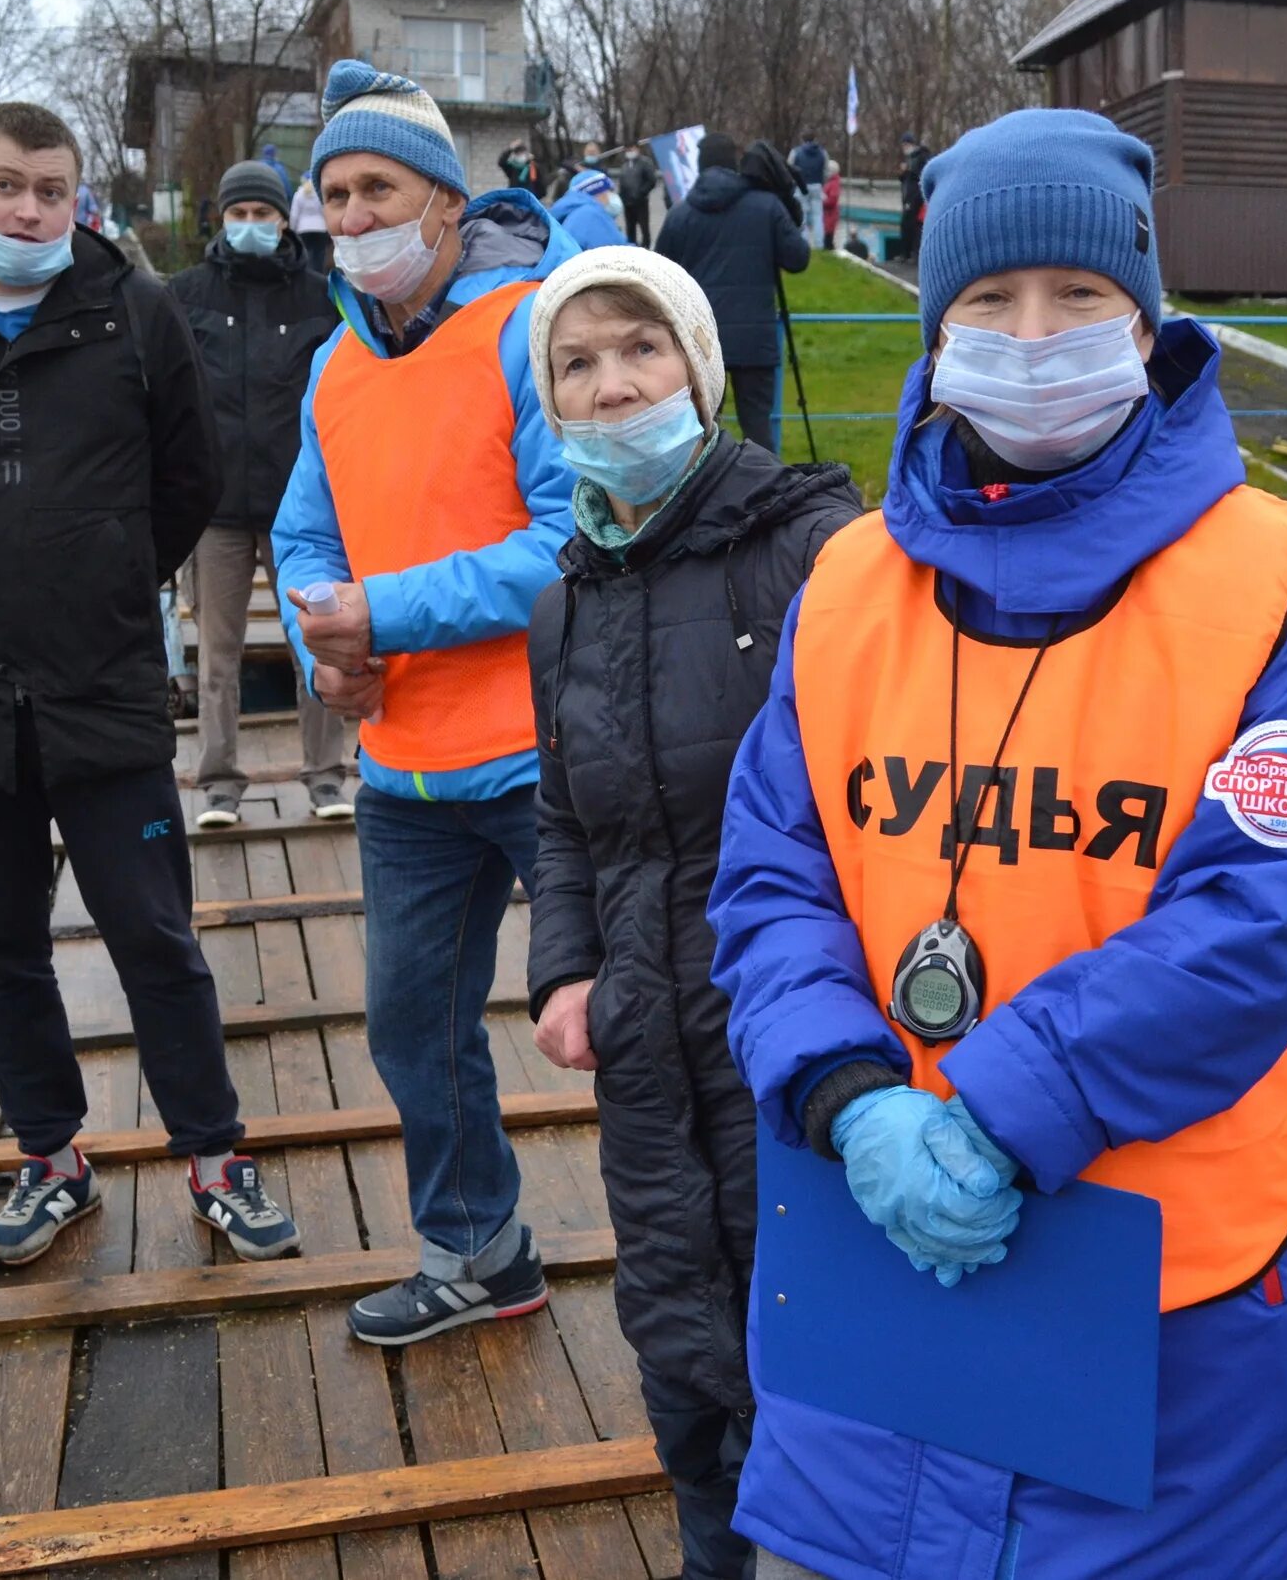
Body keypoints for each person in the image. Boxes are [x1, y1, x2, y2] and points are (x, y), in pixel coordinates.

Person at [707, 107, 1287, 1578]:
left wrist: (1010, 1106)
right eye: (988, 301)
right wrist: (844, 1089)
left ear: (1145, 321)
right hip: (873, 1257)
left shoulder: (1278, 584)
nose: (1032, 333)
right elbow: (774, 871)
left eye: (1078, 298)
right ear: (935, 325)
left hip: (1172, 1310)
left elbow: (1258, 915)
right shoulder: (846, 581)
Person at [0, 101, 303, 1273]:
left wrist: (94, 577)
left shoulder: (132, 315)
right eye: (6, 186)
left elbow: (186, 477)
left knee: (155, 936)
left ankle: (213, 1154)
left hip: (105, 695)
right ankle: (52, 1159)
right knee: (0, 947)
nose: (28, 208)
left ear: (78, 198)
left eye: (50, 189)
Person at [525, 246, 860, 1580]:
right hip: (646, 1044)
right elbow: (563, 814)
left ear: (703, 369)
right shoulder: (566, 599)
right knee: (684, 1357)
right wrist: (566, 967)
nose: (612, 389)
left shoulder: (815, 553)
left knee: (825, 1360)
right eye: (578, 362)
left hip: (797, 1034)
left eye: (640, 349)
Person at [270, 60, 578, 1345]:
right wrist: (316, 643)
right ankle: (477, 1249)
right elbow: (303, 539)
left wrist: (380, 614)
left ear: (444, 203)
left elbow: (568, 539)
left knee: (637, 1022)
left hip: (544, 757)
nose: (349, 217)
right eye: (332, 193)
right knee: (410, 1026)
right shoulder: (334, 365)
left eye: (376, 188)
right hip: (404, 771)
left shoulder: (528, 327)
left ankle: (727, 1265)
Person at [168, 159, 351, 829]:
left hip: (297, 508)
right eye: (238, 214)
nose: (250, 225)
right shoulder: (185, 294)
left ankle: (327, 776)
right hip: (215, 507)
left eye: (262, 213)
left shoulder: (318, 296)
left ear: (283, 218)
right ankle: (219, 784)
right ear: (221, 218)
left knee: (318, 641)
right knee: (219, 654)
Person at [653, 133, 808, 454]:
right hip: (756, 338)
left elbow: (659, 276)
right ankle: (766, 498)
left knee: (702, 427)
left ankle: (701, 496)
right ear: (733, 163)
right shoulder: (766, 206)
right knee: (758, 428)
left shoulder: (681, 214)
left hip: (701, 340)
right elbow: (798, 258)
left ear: (700, 164)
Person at [554, 166, 626, 248]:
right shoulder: (592, 215)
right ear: (597, 193)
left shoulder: (578, 213)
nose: (612, 196)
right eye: (609, 191)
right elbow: (613, 253)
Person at [788, 132, 828, 250]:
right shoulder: (823, 152)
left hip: (801, 186)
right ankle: (819, 244)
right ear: (815, 139)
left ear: (802, 139)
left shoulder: (795, 152)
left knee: (802, 215)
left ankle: (803, 243)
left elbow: (789, 168)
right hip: (817, 186)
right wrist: (822, 183)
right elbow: (826, 170)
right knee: (818, 216)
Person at [895, 131, 931, 262]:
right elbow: (904, 179)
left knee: (912, 225)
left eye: (906, 144)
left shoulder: (920, 157)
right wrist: (902, 173)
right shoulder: (909, 158)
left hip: (915, 196)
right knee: (907, 224)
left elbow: (919, 175)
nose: (904, 147)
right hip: (908, 195)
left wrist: (908, 170)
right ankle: (906, 253)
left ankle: (911, 253)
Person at [619, 142, 660, 248]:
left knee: (644, 228)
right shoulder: (625, 165)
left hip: (640, 201)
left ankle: (646, 247)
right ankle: (632, 247)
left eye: (631, 149)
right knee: (630, 228)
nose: (629, 152)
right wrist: (621, 196)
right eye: (627, 150)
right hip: (627, 202)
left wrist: (641, 193)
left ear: (637, 149)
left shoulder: (645, 163)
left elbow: (651, 181)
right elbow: (622, 182)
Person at [822, 158, 842, 254]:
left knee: (828, 239)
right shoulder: (832, 183)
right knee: (827, 238)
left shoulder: (834, 184)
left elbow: (832, 200)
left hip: (830, 215)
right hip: (828, 215)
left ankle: (830, 253)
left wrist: (822, 201)